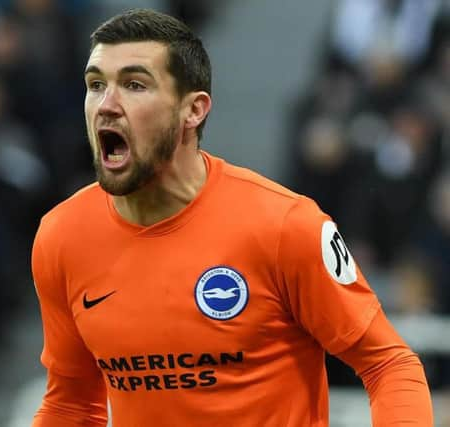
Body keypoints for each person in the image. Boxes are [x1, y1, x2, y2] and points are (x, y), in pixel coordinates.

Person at [30, 8, 433, 426]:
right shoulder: (63, 237)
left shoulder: (285, 226)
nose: (106, 105)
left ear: (194, 110)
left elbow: (390, 365)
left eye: (134, 85)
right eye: (96, 85)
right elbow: (71, 403)